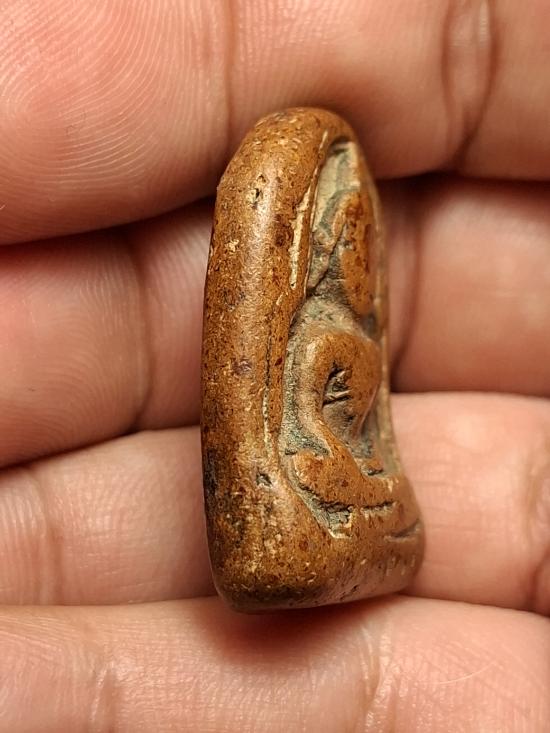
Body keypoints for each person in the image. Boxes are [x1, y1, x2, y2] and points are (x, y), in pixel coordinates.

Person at [0, 1, 548, 730]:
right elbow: (315, 440)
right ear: (324, 255)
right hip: (314, 477)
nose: (361, 268)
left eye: (366, 251)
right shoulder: (320, 344)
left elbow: (364, 440)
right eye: (348, 249)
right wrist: (339, 480)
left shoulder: (353, 334)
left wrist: (362, 484)